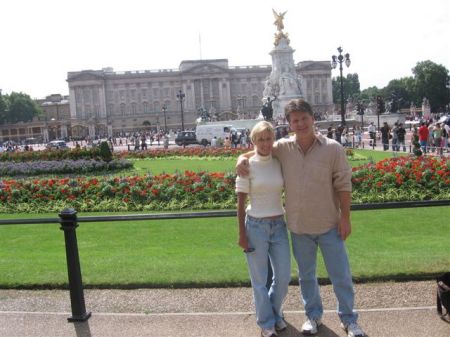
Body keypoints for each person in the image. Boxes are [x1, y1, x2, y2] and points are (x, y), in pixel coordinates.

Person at [237, 99, 365, 337]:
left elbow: (343, 185)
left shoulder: (333, 148)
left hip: (329, 223)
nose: (300, 123)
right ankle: (312, 316)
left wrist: (345, 217)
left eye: (304, 118)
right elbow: (259, 149)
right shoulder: (283, 147)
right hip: (299, 227)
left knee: (341, 276)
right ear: (289, 124)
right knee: (307, 278)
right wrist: (240, 159)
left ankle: (349, 319)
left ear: (312, 118)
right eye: (295, 120)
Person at [236, 121, 291, 337]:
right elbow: (240, 204)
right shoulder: (246, 165)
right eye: (261, 139)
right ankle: (266, 321)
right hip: (256, 226)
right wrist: (242, 234)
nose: (265, 143)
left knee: (284, 277)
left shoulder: (279, 162)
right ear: (253, 141)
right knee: (259, 280)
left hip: (278, 225)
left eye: (269, 138)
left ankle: (274, 312)